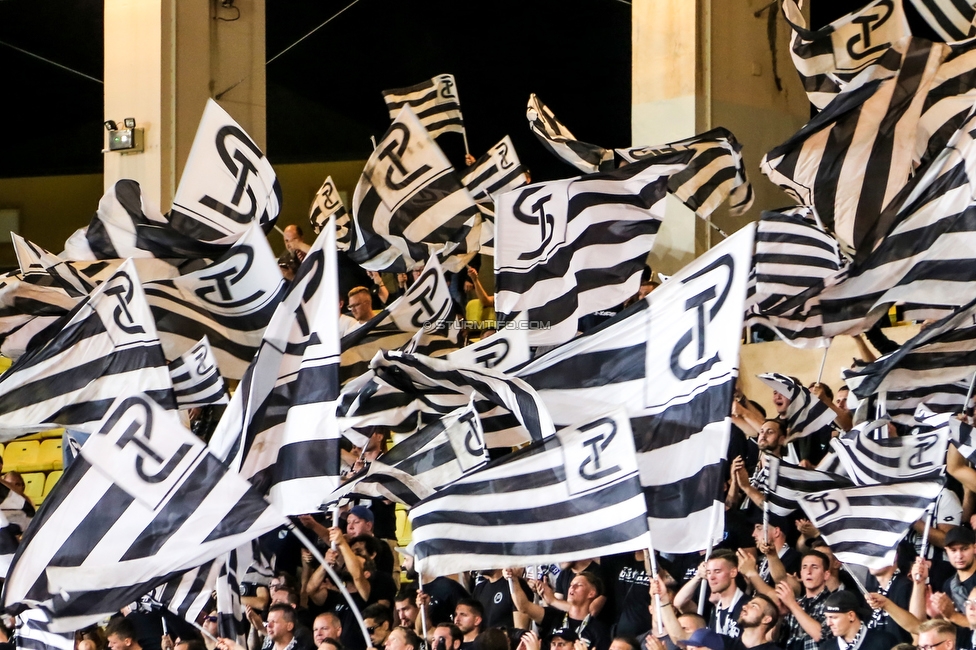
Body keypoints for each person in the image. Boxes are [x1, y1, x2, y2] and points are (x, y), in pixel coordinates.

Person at [673, 550, 745, 638]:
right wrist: (698, 576)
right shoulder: (714, 611)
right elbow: (679, 603)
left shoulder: (747, 606)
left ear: (733, 572)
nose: (711, 577)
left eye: (717, 571)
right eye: (708, 573)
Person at [771, 550, 831, 650]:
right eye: (804, 567)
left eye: (814, 567)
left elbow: (821, 635)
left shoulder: (833, 602)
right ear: (801, 574)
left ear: (826, 575)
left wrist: (792, 604)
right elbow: (773, 639)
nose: (809, 571)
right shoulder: (795, 603)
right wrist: (780, 617)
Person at [819, 591, 894, 650]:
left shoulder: (884, 642)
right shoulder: (826, 647)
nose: (828, 623)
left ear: (851, 616)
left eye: (833, 617)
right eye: (827, 617)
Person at [932, 526, 976, 626]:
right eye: (953, 550)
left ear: (974, 548)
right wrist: (936, 614)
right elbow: (950, 625)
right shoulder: (949, 584)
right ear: (946, 551)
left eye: (964, 549)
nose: (959, 556)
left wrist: (953, 615)